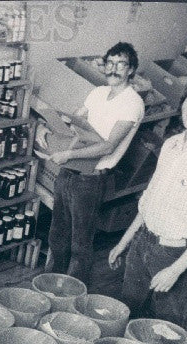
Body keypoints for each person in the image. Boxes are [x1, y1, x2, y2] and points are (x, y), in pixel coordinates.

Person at [109, 72, 187, 328]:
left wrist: (175, 269)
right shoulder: (171, 145)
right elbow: (149, 200)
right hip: (143, 242)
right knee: (127, 314)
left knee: (163, 328)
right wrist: (124, 242)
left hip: (174, 253)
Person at [48, 42, 146, 286]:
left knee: (80, 243)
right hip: (69, 171)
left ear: (131, 69)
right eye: (110, 63)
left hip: (91, 178)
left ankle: (71, 293)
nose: (113, 69)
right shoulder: (97, 93)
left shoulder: (132, 103)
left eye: (120, 64)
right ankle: (49, 285)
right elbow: (76, 121)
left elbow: (108, 146)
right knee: (57, 235)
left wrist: (68, 154)